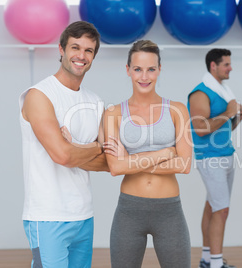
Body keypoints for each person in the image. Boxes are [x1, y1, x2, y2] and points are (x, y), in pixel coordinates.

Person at [19, 21, 109, 267]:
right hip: (47, 217)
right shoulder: (39, 95)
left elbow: (109, 163)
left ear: (94, 56)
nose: (81, 56)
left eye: (88, 50)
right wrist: (97, 145)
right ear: (61, 49)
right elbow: (62, 156)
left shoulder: (96, 101)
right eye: (75, 47)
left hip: (84, 216)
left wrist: (75, 148)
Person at [102, 40, 192, 268]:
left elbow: (185, 165)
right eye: (138, 69)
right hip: (129, 211)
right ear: (128, 70)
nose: (144, 76)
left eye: (151, 69)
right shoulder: (113, 114)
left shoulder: (177, 110)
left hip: (169, 211)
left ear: (159, 70)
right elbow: (115, 168)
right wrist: (164, 153)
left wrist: (130, 161)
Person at [188, 48, 242, 268]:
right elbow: (201, 128)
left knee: (213, 207)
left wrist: (237, 117)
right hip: (210, 158)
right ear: (213, 65)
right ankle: (216, 263)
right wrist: (229, 113)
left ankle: (206, 258)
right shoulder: (200, 93)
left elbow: (225, 128)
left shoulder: (222, 92)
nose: (230, 68)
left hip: (226, 154)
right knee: (221, 210)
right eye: (226, 64)